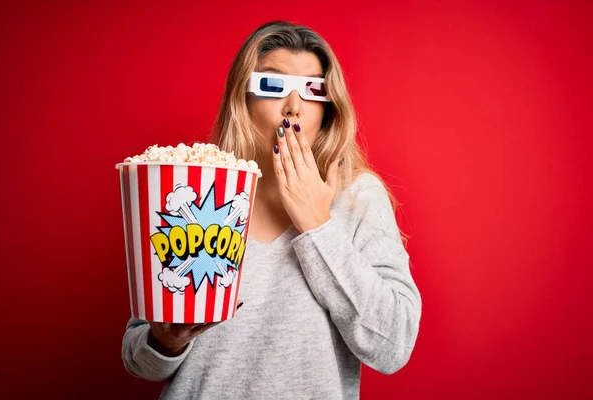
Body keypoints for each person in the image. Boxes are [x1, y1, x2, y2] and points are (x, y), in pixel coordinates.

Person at [122, 20, 422, 399]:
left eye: (313, 90)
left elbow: (393, 345)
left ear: (329, 107)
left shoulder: (357, 197)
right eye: (273, 85)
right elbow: (138, 359)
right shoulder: (193, 190)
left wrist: (318, 225)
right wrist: (165, 340)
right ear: (243, 99)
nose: (294, 107)